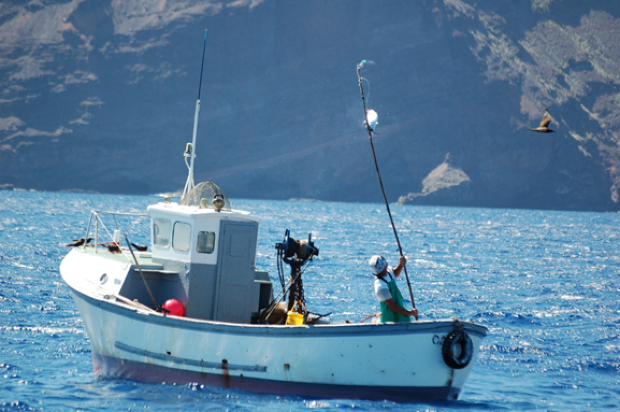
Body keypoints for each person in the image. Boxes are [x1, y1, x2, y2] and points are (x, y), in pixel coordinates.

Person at [369, 255, 418, 323]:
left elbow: (394, 274)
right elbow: (392, 306)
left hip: (399, 307)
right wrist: (410, 313)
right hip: (390, 315)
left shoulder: (388, 271)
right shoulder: (381, 286)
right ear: (385, 264)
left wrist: (401, 265)